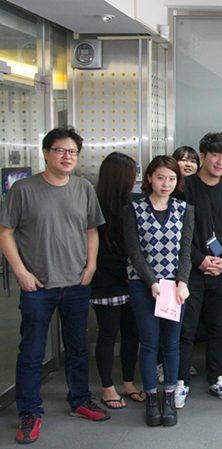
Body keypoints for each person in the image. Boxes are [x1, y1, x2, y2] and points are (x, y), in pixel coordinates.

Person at [0, 127, 109, 444]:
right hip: (38, 285)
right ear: (46, 153)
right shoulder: (23, 189)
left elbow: (91, 230)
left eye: (73, 152)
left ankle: (80, 401)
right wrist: (20, 271)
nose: (67, 157)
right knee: (32, 352)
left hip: (76, 282)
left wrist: (91, 265)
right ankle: (29, 412)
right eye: (61, 150)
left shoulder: (83, 188)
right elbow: (5, 232)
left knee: (77, 349)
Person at [124, 156, 194, 427]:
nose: (166, 183)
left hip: (175, 287)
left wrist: (183, 282)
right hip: (143, 285)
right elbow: (134, 251)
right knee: (150, 341)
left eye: (172, 179)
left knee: (172, 343)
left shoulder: (184, 209)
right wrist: (151, 281)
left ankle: (169, 396)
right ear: (150, 178)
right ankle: (151, 398)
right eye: (161, 177)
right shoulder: (134, 209)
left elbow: (186, 250)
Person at [175, 132, 222, 407]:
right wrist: (198, 259)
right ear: (202, 155)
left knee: (219, 326)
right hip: (190, 271)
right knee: (186, 328)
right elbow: (178, 232)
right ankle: (179, 381)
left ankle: (217, 377)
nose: (220, 161)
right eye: (215, 155)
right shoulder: (184, 188)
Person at [90, 152, 144, 410]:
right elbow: (97, 250)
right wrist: (125, 271)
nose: (135, 179)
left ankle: (128, 382)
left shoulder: (132, 203)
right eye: (131, 175)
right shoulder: (96, 204)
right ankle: (107, 387)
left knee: (132, 334)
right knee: (109, 335)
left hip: (132, 281)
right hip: (106, 281)